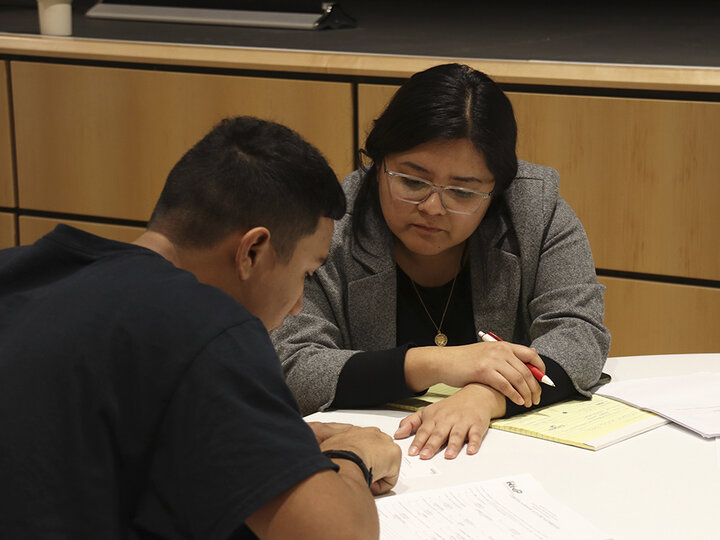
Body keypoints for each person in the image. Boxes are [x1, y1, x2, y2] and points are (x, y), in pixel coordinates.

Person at [0, 116, 401, 539]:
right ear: (252, 250)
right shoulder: (207, 326)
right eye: (305, 273)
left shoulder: (20, 270)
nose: (299, 306)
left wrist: (280, 443)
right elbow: (339, 534)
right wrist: (352, 456)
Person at [271, 63, 611, 461]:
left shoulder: (534, 210)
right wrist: (440, 363)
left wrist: (486, 395)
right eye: (412, 182)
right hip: (379, 456)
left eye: (463, 193)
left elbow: (579, 334)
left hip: (507, 455)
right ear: (378, 163)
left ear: (496, 190)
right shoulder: (331, 226)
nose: (433, 208)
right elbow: (292, 365)